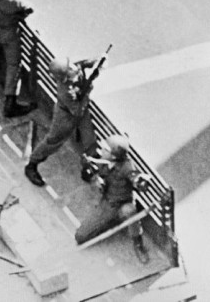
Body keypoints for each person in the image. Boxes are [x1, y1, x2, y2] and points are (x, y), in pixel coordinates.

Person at [74, 135, 150, 263]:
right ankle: (111, 221)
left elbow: (134, 177)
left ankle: (138, 242)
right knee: (80, 236)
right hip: (107, 204)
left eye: (105, 150)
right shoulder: (103, 161)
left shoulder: (127, 166)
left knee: (129, 211)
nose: (102, 151)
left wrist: (140, 182)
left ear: (114, 156)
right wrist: (91, 175)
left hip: (122, 204)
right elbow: (86, 170)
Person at [24, 56, 98, 187]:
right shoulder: (65, 91)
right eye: (69, 68)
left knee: (89, 140)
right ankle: (32, 164)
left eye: (70, 65)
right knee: (53, 141)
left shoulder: (71, 69)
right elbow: (77, 111)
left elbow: (81, 64)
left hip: (81, 108)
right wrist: (88, 89)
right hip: (66, 115)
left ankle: (89, 167)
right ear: (64, 77)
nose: (73, 67)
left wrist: (95, 61)